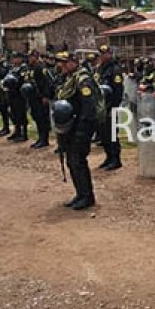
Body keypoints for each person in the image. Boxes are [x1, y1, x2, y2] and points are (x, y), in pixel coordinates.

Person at [52, 52, 98, 210]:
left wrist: (82, 132)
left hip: (81, 127)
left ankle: (87, 196)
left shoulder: (83, 80)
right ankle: (80, 193)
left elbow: (89, 108)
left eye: (65, 63)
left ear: (74, 62)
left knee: (78, 161)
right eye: (60, 63)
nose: (61, 65)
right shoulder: (66, 79)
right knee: (71, 162)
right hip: (70, 127)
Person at [94, 45, 124, 170]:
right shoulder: (100, 69)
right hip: (100, 106)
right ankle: (108, 157)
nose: (102, 56)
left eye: (105, 53)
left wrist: (114, 108)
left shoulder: (115, 69)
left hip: (110, 106)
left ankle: (115, 159)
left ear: (110, 54)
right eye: (101, 53)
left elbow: (118, 91)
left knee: (111, 134)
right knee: (103, 134)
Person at [26, 50, 54, 149]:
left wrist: (46, 96)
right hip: (33, 97)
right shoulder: (30, 67)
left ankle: (44, 139)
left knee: (42, 118)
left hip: (41, 97)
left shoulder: (41, 67)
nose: (29, 59)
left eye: (31, 57)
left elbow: (47, 82)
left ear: (36, 57)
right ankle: (40, 138)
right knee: (36, 117)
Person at [6, 52, 30, 143]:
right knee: (13, 112)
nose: (14, 60)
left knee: (21, 113)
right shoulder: (12, 68)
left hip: (19, 93)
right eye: (13, 58)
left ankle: (24, 134)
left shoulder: (23, 68)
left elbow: (21, 79)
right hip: (11, 92)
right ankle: (17, 131)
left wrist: (14, 83)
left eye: (16, 58)